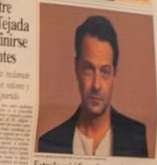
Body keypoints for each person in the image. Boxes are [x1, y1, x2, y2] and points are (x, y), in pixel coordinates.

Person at [38, 15, 148, 157]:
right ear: (76, 68)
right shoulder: (49, 143)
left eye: (105, 72)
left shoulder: (136, 138)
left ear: (115, 74)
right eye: (88, 69)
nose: (96, 85)